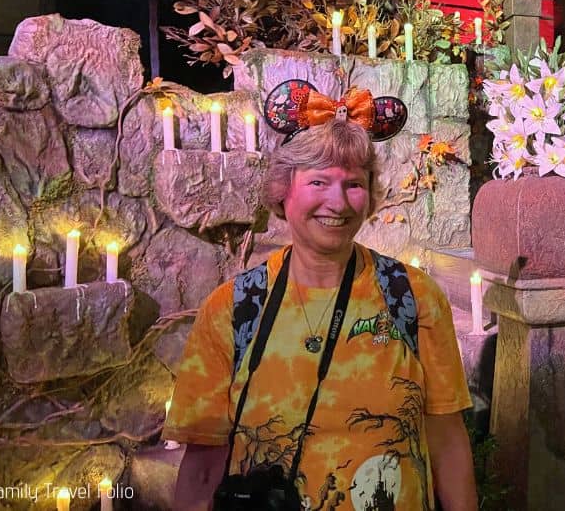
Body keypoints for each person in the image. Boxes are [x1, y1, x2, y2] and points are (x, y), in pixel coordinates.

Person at [164, 85, 477, 511]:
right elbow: (202, 465)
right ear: (282, 192)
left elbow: (447, 439)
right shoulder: (233, 308)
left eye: (353, 184)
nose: (337, 202)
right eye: (318, 181)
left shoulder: (412, 296)